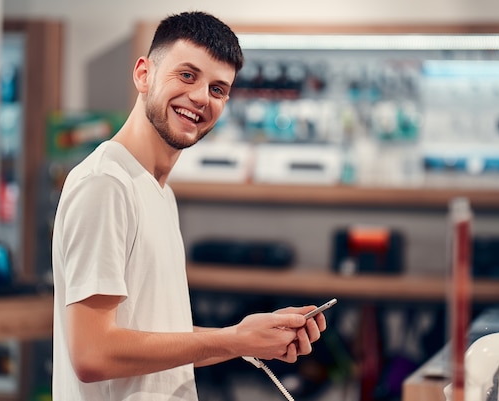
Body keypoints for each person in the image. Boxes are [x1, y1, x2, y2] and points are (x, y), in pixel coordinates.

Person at [51, 10, 329, 401]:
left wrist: (246, 338)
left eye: (218, 89)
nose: (201, 97)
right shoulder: (106, 184)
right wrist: (232, 340)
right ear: (143, 74)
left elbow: (157, 338)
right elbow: (93, 354)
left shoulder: (159, 191)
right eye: (187, 75)